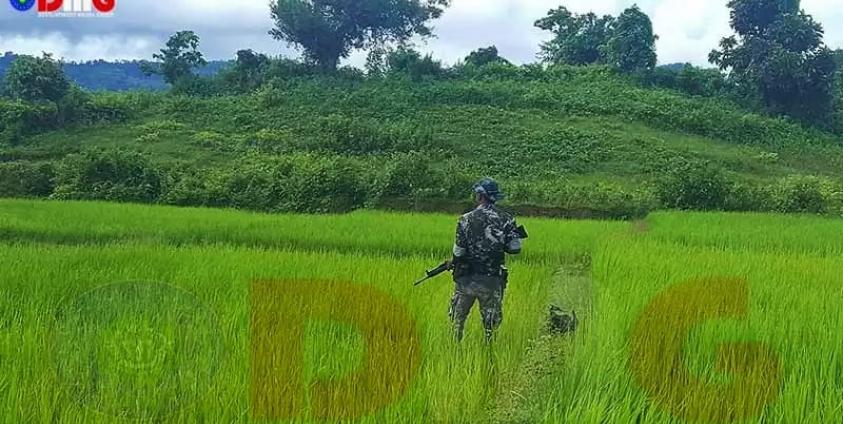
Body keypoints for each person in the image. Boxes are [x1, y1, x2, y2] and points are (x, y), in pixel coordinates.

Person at [447, 178, 524, 342]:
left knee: (457, 322)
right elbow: (515, 248)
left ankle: (454, 349)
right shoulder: (507, 219)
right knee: (491, 327)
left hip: (466, 279)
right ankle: (489, 351)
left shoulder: (465, 219)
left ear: (480, 195)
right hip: (492, 280)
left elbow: (458, 252)